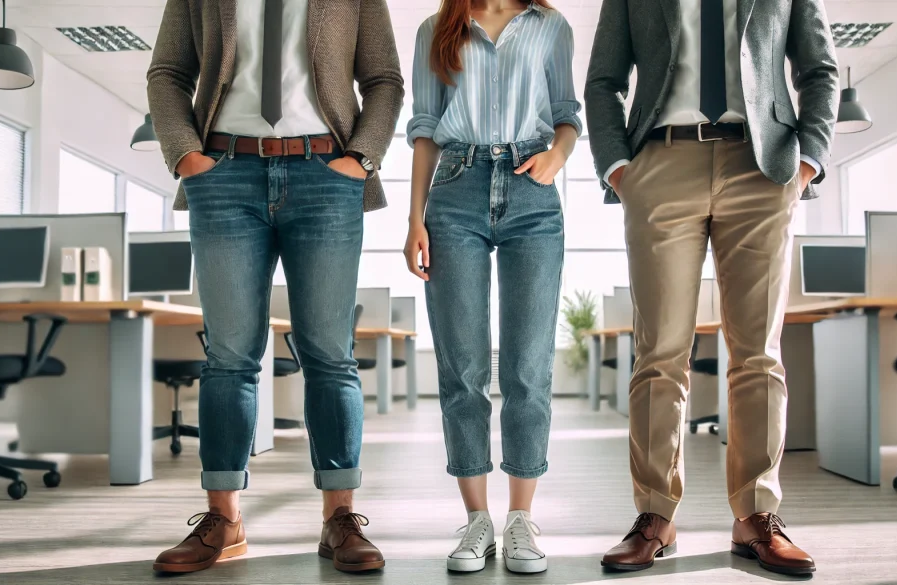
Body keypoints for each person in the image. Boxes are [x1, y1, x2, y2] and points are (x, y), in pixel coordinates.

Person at [146, 0, 403, 574]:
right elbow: (167, 72)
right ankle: (224, 520)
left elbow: (383, 79)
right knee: (229, 355)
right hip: (224, 172)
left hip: (326, 173)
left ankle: (340, 517)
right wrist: (185, 153)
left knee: (330, 354)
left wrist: (362, 157)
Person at [585, 0, 838, 577]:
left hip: (764, 166)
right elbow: (603, 80)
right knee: (660, 354)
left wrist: (809, 163)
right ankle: (655, 516)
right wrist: (620, 170)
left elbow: (819, 69)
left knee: (757, 353)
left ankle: (755, 518)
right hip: (660, 163)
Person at [404, 0, 580, 574]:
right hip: (454, 192)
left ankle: (521, 519)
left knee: (528, 367)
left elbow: (566, 111)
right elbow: (426, 129)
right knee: (463, 368)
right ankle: (477, 519)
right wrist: (414, 220)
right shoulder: (438, 29)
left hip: (533, 191)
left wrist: (557, 154)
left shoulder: (550, 27)